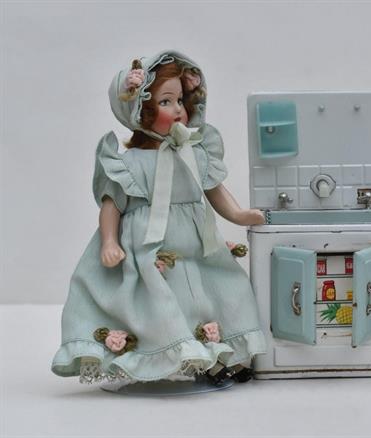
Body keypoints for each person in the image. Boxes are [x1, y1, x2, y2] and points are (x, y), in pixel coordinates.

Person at [51, 50, 267, 386]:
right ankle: (165, 358)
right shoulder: (130, 163)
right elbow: (112, 205)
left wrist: (239, 214)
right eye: (166, 101)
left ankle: (219, 355)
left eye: (180, 100)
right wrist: (109, 241)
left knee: (224, 290)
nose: (178, 109)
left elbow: (214, 190)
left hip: (197, 245)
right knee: (159, 303)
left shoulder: (194, 153)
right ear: (141, 111)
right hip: (149, 249)